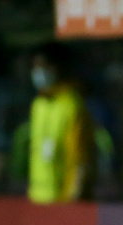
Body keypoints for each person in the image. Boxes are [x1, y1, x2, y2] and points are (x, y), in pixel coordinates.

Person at [26, 42, 96, 203]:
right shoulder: (38, 105)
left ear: (58, 68)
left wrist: (73, 199)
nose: (38, 73)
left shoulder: (72, 105)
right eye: (35, 67)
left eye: (43, 67)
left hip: (64, 202)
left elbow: (80, 159)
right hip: (38, 198)